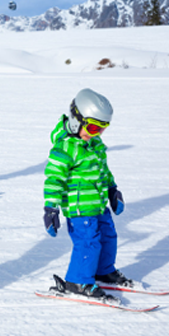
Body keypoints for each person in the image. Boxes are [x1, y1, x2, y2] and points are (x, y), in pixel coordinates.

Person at [42, 88, 128, 302]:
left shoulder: (95, 145)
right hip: (79, 209)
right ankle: (77, 281)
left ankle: (103, 271)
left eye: (102, 128)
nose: (96, 133)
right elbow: (54, 179)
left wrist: (112, 189)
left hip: (98, 205)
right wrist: (51, 207)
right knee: (88, 243)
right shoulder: (65, 148)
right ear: (75, 119)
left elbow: (103, 171)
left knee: (109, 236)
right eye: (92, 127)